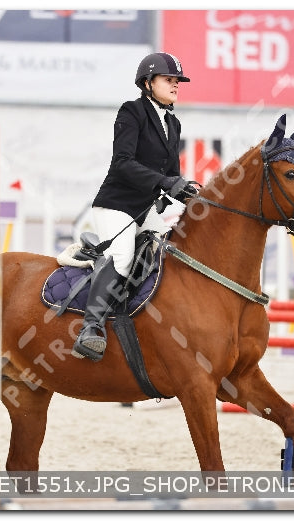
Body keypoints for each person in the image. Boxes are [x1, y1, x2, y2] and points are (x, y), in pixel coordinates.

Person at [72, 52, 198, 361]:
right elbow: (123, 163)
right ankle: (91, 329)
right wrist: (167, 183)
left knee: (175, 252)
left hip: (146, 211)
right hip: (117, 205)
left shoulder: (173, 123)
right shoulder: (132, 112)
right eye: (169, 80)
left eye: (177, 81)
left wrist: (189, 193)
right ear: (148, 82)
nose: (175, 85)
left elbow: (171, 176)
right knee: (123, 256)